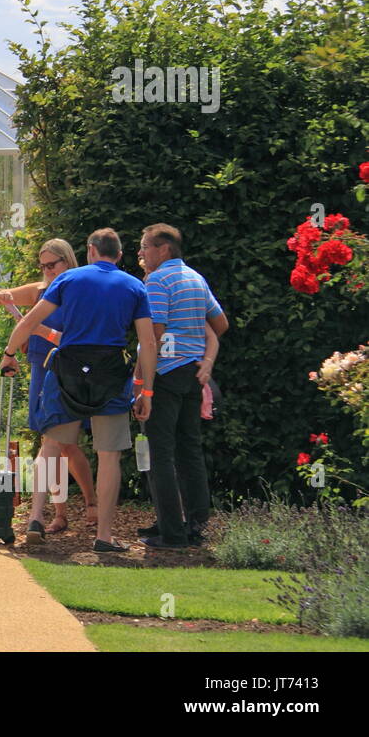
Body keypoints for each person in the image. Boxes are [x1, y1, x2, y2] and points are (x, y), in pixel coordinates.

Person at [2, 228, 157, 553]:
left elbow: (30, 322)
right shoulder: (134, 286)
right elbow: (148, 343)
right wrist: (147, 392)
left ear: (90, 251)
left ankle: (35, 519)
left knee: (51, 446)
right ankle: (103, 535)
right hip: (110, 375)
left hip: (68, 371)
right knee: (109, 455)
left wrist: (9, 355)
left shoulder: (68, 281)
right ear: (119, 255)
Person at [0, 240, 97, 532]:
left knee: (66, 445)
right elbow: (1, 295)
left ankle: (90, 502)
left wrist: (35, 328)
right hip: (41, 367)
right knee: (53, 444)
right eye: (43, 266)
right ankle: (61, 513)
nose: (47, 270)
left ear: (67, 261)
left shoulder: (78, 292)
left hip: (68, 370)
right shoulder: (41, 290)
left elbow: (73, 339)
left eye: (53, 264)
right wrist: (0, 294)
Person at [136, 224, 229, 549]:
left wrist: (142, 383)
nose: (142, 254)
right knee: (189, 450)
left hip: (165, 373)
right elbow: (220, 324)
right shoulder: (195, 278)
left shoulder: (158, 280)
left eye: (146, 247)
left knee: (160, 453)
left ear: (163, 250)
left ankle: (171, 533)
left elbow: (153, 337)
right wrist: (206, 358)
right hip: (191, 375)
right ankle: (196, 526)